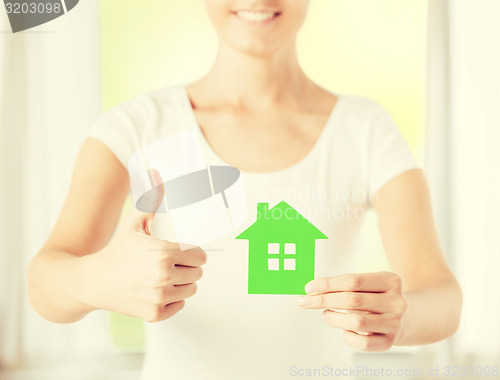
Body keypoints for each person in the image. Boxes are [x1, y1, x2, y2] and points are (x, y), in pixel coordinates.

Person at [27, 1, 462, 379]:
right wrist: (93, 279)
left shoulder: (365, 130)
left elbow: (442, 296)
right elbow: (44, 284)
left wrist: (400, 315)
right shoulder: (137, 127)